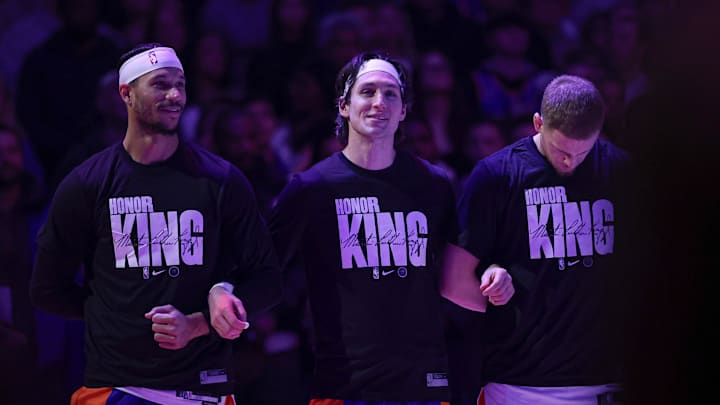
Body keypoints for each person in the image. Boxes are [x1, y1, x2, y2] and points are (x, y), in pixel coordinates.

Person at [209, 51, 514, 404]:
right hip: (343, 387)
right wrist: (223, 290)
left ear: (403, 111)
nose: (379, 102)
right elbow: (262, 267)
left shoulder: (434, 185)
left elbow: (458, 272)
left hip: (425, 385)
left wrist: (493, 272)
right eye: (367, 92)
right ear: (343, 105)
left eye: (391, 94)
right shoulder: (312, 188)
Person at [30, 43, 282, 405]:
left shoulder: (222, 180)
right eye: (161, 84)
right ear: (126, 93)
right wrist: (113, 315)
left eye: (180, 84)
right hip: (117, 387)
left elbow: (268, 280)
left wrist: (199, 322)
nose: (175, 94)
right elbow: (46, 289)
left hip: (203, 387)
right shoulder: (87, 183)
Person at [441, 74, 631, 404]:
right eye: (561, 151)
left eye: (583, 152)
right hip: (520, 382)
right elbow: (453, 281)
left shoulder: (621, 172)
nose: (570, 164)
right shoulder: (497, 175)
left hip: (607, 382)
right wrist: (495, 293)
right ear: (537, 123)